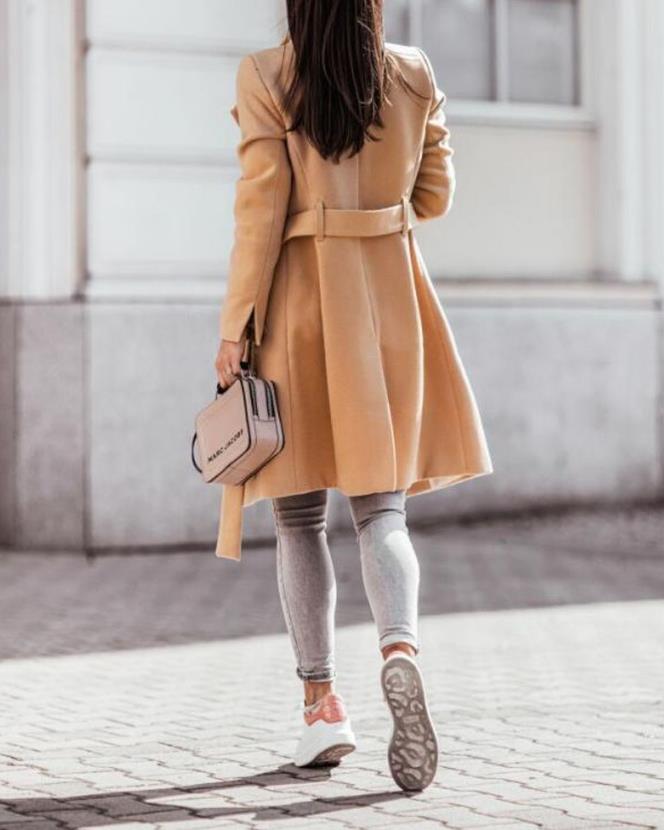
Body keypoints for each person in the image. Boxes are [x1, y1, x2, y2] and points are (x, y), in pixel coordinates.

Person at [213, 0, 492, 792]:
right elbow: (433, 197)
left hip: (299, 311)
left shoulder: (267, 75)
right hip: (388, 309)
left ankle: (322, 707)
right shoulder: (413, 72)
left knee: (299, 517)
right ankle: (399, 648)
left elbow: (259, 214)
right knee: (383, 509)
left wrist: (235, 326)